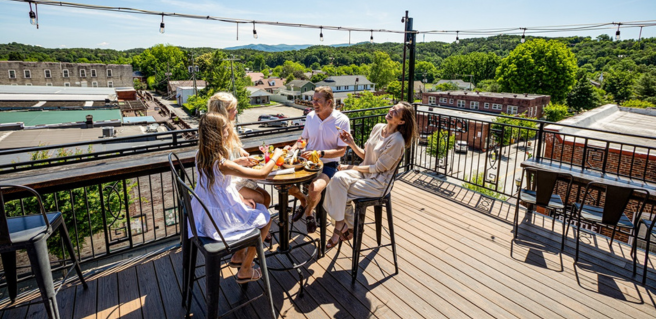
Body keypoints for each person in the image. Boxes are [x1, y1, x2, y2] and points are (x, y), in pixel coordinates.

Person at [192, 112, 284, 283]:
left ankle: (238, 256)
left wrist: (240, 164)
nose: (228, 131)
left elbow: (219, 181)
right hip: (220, 223)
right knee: (265, 219)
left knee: (252, 206)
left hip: (205, 218)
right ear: (217, 134)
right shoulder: (222, 163)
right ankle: (246, 269)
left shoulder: (200, 155)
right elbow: (262, 173)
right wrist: (276, 155)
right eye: (225, 129)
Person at [322, 102, 418, 248]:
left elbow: (378, 168)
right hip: (364, 175)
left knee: (340, 190)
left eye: (396, 112)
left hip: (378, 184)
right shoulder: (378, 128)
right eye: (393, 107)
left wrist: (350, 167)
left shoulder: (397, 141)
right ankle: (348, 225)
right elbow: (366, 155)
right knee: (336, 179)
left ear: (402, 121)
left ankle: (342, 226)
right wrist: (351, 143)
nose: (391, 110)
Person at [286, 86, 350, 234]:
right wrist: (293, 149)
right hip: (306, 163)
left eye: (317, 101)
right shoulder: (310, 117)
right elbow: (304, 138)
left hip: (329, 164)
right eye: (313, 100)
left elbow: (342, 150)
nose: (313, 103)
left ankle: (308, 213)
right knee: (283, 185)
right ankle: (303, 200)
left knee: (314, 189)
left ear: (329, 102)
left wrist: (320, 153)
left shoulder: (342, 120)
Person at [207, 92, 272, 210]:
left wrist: (239, 149)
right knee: (261, 199)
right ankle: (254, 223)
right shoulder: (218, 135)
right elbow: (220, 167)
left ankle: (259, 224)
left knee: (266, 197)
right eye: (234, 109)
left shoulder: (227, 128)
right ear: (224, 112)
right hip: (226, 183)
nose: (236, 111)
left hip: (234, 176)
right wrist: (239, 161)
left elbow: (226, 158)